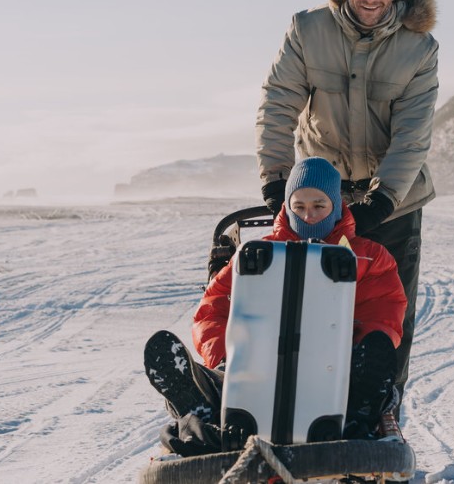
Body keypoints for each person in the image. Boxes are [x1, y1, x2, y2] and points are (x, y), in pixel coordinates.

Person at [255, 0, 438, 416]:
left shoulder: (419, 48)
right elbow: (278, 103)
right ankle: (292, 405)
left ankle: (379, 415)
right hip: (320, 194)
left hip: (392, 201)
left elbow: (412, 136)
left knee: (388, 311)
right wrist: (278, 180)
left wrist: (384, 199)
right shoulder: (308, 29)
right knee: (305, 301)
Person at [143, 157, 407, 455]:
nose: (309, 216)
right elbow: (212, 309)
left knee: (373, 368)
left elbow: (384, 313)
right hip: (255, 367)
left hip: (335, 369)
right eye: (300, 206)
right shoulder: (256, 256)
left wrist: (356, 348)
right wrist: (227, 356)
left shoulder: (369, 257)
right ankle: (200, 400)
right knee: (221, 379)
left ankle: (357, 419)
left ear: (336, 205)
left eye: (319, 205)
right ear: (288, 205)